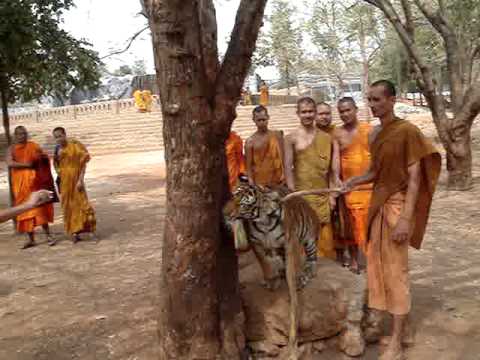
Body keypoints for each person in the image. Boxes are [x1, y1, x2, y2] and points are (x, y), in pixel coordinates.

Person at [342, 80, 441, 360]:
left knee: (397, 272)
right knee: (378, 269)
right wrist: (354, 181)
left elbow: (415, 178)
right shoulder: (374, 135)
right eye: (369, 100)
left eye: (377, 100)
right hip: (377, 207)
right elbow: (374, 171)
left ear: (392, 100)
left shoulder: (407, 131)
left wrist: (406, 220)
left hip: (397, 210)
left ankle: (396, 344)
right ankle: (404, 332)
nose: (372, 105)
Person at [284, 97, 340, 259]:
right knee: (303, 238)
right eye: (304, 112)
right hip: (301, 196)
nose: (308, 115)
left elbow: (331, 171)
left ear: (315, 113)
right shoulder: (291, 138)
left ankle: (326, 275)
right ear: (298, 114)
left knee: (325, 241)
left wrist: (332, 195)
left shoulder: (326, 138)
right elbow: (288, 168)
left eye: (310, 111)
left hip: (322, 195)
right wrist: (292, 194)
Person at [335, 97, 373, 273]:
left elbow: (377, 157)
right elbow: (335, 161)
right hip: (348, 188)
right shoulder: (337, 134)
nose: (345, 114)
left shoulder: (369, 130)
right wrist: (337, 181)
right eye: (341, 111)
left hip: (369, 186)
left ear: (356, 110)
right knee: (350, 226)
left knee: (370, 226)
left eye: (348, 110)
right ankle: (357, 261)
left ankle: (371, 261)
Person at [7, 126, 55, 248]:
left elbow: (43, 157)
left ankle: (48, 235)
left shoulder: (33, 145)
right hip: (20, 184)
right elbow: (10, 163)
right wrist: (26, 165)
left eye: (24, 133)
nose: (22, 136)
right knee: (24, 210)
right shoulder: (11, 149)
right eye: (20, 134)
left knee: (40, 208)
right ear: (15, 135)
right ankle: (31, 239)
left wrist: (41, 158)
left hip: (35, 182)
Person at [53, 127, 96, 243]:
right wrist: (61, 174)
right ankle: (74, 232)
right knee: (69, 206)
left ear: (65, 134)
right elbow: (56, 165)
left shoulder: (75, 145)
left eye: (60, 136)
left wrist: (80, 180)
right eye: (56, 137)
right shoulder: (57, 150)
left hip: (77, 181)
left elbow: (83, 165)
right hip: (65, 183)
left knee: (82, 204)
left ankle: (90, 231)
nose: (58, 139)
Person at [245, 106, 285, 187]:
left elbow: (283, 156)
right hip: (260, 182)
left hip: (279, 179)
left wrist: (285, 174)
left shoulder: (277, 135)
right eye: (259, 120)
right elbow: (248, 166)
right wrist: (251, 182)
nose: (262, 122)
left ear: (268, 118)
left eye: (264, 119)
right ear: (254, 120)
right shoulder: (250, 141)